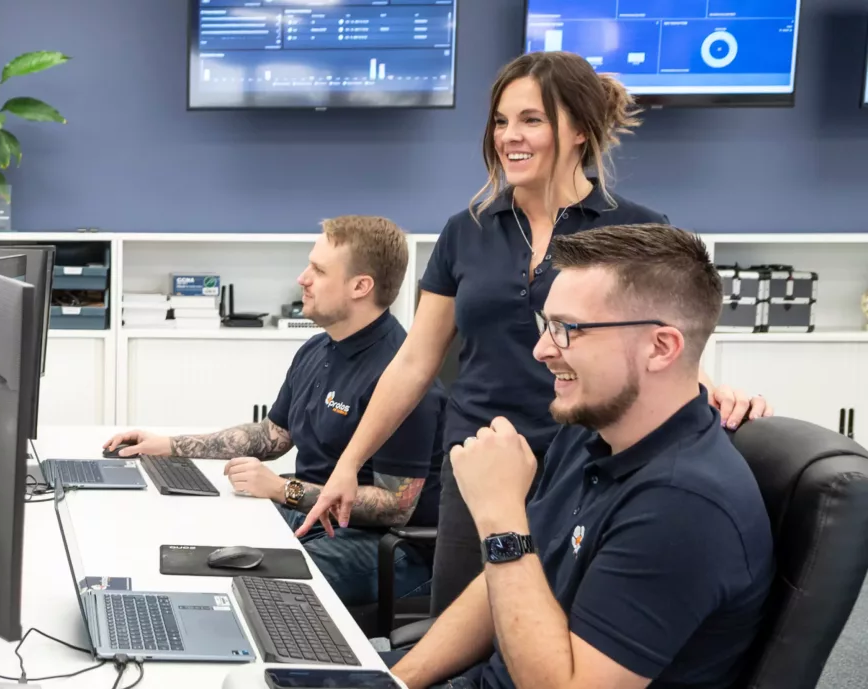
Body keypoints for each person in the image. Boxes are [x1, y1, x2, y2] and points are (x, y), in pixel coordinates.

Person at [296, 52, 773, 615]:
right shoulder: (466, 231)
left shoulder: (636, 229)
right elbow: (414, 362)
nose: (509, 136)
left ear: (578, 131)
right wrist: (350, 464)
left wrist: (708, 385)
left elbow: (656, 340)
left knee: (555, 633)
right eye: (501, 121)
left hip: (584, 466)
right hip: (477, 460)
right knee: (459, 632)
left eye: (531, 120)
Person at [384, 223, 775, 689]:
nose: (542, 349)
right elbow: (503, 587)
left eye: (568, 329)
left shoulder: (684, 505)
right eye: (546, 325)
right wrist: (394, 682)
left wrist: (500, 517)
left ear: (661, 347)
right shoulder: (587, 435)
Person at [104, 215, 446, 608]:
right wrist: (167, 444)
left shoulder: (404, 378)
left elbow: (395, 508)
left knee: (246, 587)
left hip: (384, 547)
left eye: (318, 270)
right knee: (189, 535)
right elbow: (272, 435)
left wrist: (284, 490)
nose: (303, 278)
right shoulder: (318, 350)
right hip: (310, 518)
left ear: (360, 286)